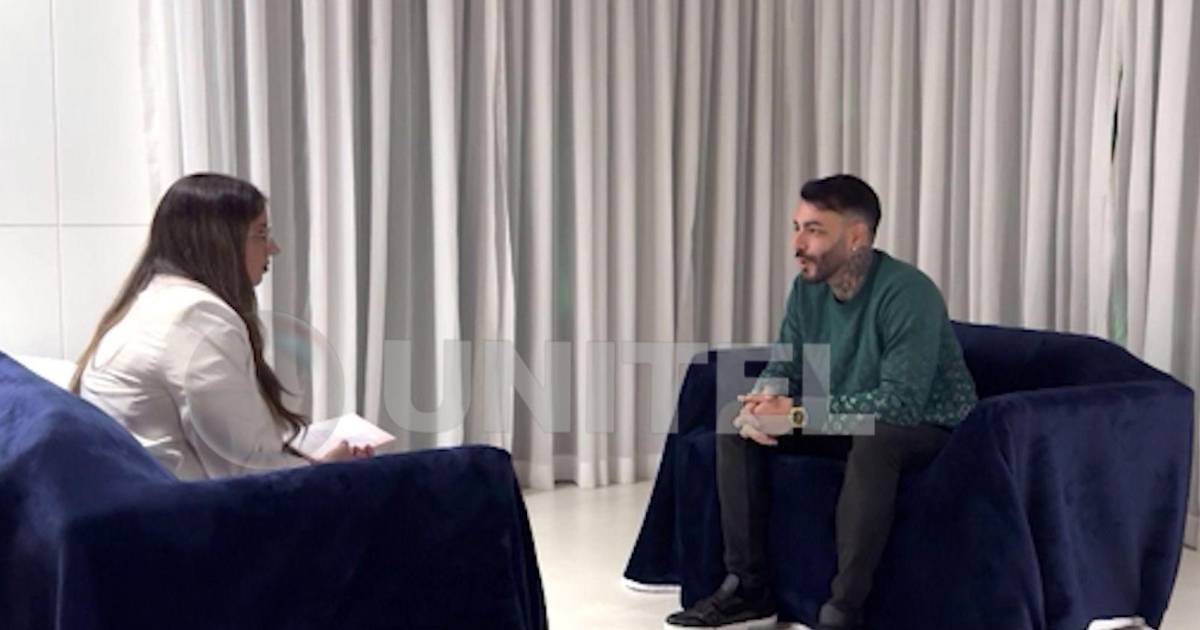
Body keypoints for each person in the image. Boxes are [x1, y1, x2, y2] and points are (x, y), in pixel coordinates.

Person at [665, 174, 978, 630]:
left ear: (856, 237)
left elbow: (900, 405)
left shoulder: (908, 293)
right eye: (796, 228)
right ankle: (749, 591)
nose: (798, 244)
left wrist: (794, 415)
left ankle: (843, 610)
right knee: (734, 421)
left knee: (876, 439)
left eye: (813, 230)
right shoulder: (806, 290)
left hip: (928, 429)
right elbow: (786, 364)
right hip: (846, 418)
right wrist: (765, 399)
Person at [70, 173, 370, 480]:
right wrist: (325, 471)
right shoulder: (196, 318)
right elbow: (244, 473)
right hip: (187, 506)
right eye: (261, 233)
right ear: (219, 241)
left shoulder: (157, 302)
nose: (273, 248)